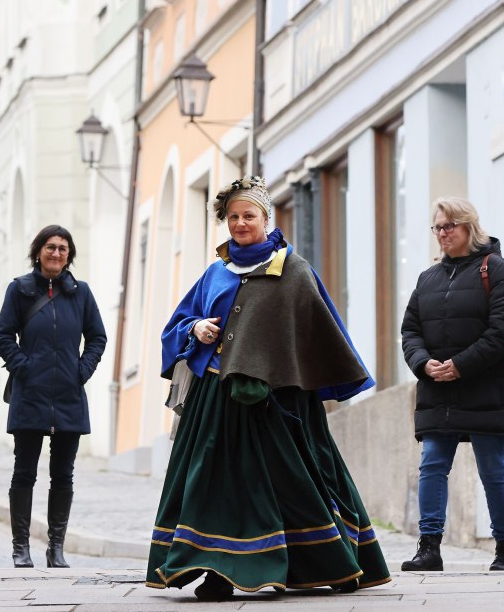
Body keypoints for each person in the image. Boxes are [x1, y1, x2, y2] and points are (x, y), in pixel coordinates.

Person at [146, 177, 389, 600]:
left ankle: (322, 561)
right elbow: (179, 324)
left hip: (277, 404)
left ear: (266, 218)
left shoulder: (293, 270)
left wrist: (288, 373)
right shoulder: (215, 273)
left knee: (291, 485)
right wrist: (196, 328)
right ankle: (217, 570)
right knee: (212, 485)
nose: (241, 223)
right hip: (216, 401)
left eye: (249, 216)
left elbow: (315, 331)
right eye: (234, 217)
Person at [399, 197, 504, 572]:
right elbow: (410, 331)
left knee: (492, 467)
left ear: (469, 226)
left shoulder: (497, 269)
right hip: (438, 387)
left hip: (487, 386)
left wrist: (461, 366)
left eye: (448, 226)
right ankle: (429, 548)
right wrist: (424, 364)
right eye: (437, 227)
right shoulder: (428, 277)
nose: (441, 233)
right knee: (432, 464)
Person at [0, 225, 107, 569]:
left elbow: (97, 337)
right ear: (38, 252)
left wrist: (81, 371)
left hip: (69, 396)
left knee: (64, 474)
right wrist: (24, 367)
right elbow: (3, 336)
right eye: (50, 247)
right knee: (24, 472)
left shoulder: (81, 293)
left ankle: (56, 548)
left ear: (69, 254)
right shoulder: (20, 289)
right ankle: (20, 548)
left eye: (62, 248)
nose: (56, 253)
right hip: (30, 395)